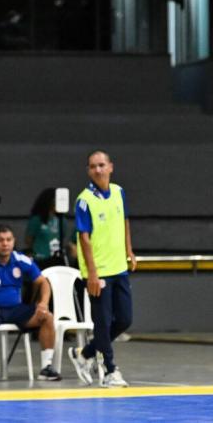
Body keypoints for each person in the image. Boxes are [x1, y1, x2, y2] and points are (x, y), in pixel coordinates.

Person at [68, 150, 136, 388]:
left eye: (101, 165)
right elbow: (84, 238)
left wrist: (129, 250)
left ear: (110, 167)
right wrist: (93, 274)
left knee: (125, 319)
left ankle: (84, 353)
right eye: (93, 166)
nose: (98, 169)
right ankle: (109, 370)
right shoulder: (84, 200)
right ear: (88, 171)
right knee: (103, 322)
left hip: (119, 268)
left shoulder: (119, 192)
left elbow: (125, 220)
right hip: (98, 272)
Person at [0, 225, 61, 383]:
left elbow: (43, 282)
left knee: (47, 317)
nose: (5, 244)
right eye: (0, 240)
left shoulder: (21, 259)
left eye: (8, 240)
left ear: (13, 241)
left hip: (17, 310)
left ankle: (46, 367)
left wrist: (43, 303)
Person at [24, 188, 75, 269]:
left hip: (56, 259)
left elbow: (63, 238)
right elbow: (28, 240)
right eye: (55, 201)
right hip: (40, 259)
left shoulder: (62, 220)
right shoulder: (37, 219)